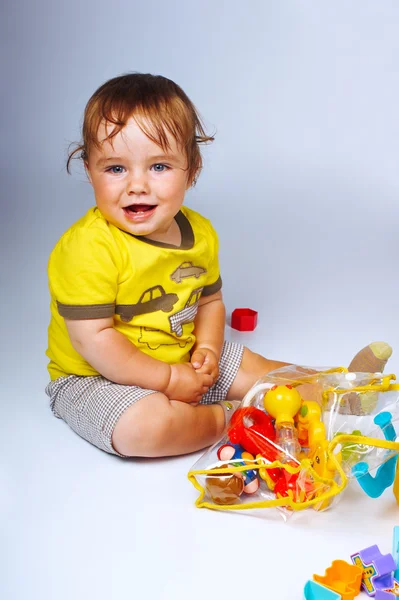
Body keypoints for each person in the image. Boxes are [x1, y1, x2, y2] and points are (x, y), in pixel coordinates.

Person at [45, 73, 392, 458]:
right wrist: (166, 378)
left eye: (159, 167)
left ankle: (342, 391)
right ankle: (234, 417)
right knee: (142, 430)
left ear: (191, 170)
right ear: (89, 169)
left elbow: (209, 301)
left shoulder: (200, 233)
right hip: (96, 377)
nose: (137, 185)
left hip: (180, 354)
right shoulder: (89, 247)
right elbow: (93, 339)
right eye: (115, 169)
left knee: (261, 370)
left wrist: (207, 349)